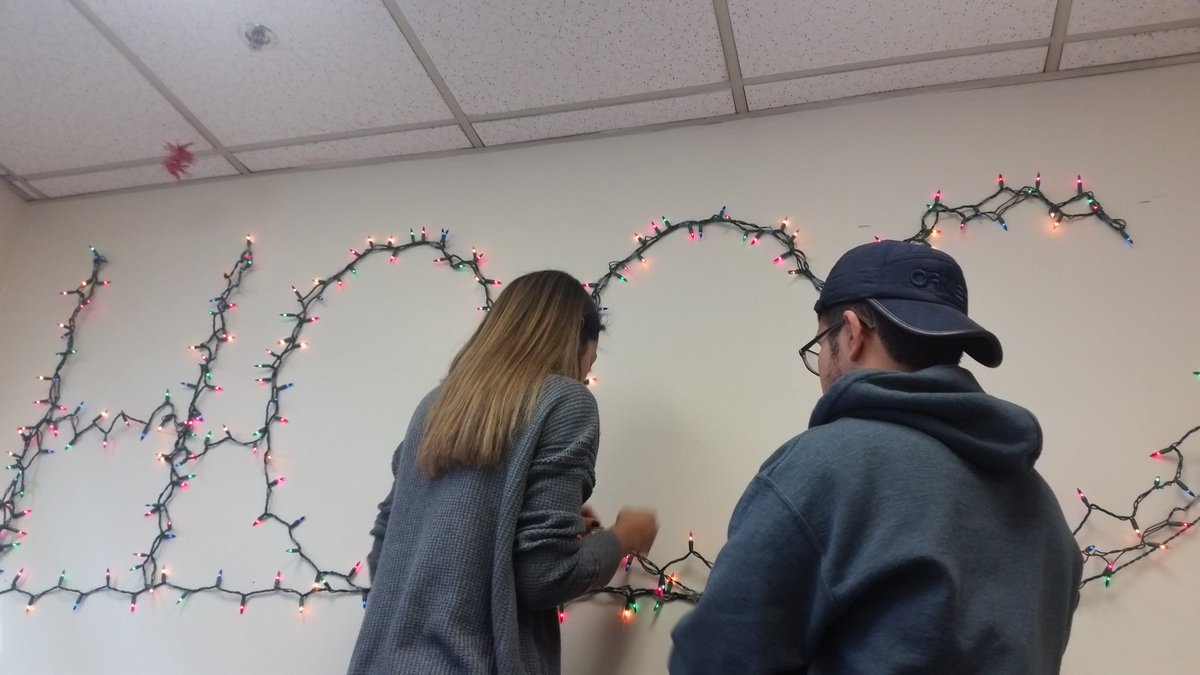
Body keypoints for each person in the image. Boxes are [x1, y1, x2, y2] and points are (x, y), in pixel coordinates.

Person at [669, 240, 1082, 674]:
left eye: (819, 346)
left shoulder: (825, 468)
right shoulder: (1043, 506)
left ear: (850, 333)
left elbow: (715, 660)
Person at [348, 269, 659, 675]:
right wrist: (623, 537)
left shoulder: (435, 405)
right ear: (574, 346)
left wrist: (520, 529)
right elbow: (546, 577)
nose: (585, 377)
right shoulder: (566, 401)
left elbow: (383, 553)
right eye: (589, 362)